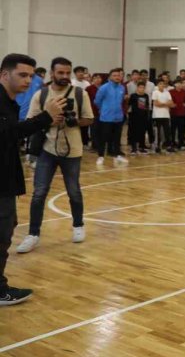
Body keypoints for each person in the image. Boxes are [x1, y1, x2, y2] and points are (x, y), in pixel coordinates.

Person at [1, 53, 65, 305]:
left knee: (5, 230)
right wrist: (45, 117)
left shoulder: (9, 101)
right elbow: (7, 134)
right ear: (5, 75)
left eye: (31, 75)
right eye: (22, 75)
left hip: (6, 179)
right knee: (2, 234)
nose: (29, 80)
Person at [16, 57, 93, 255]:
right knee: (39, 193)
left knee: (73, 190)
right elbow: (30, 121)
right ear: (52, 73)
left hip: (72, 150)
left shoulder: (79, 93)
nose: (65, 76)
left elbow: (89, 119)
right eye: (60, 73)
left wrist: (73, 121)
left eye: (68, 73)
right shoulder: (40, 95)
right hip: (47, 150)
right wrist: (49, 120)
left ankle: (78, 225)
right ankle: (33, 234)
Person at [94, 68, 128, 166]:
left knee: (117, 138)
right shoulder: (104, 88)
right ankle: (100, 156)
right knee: (103, 138)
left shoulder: (122, 88)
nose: (117, 77)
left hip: (118, 117)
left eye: (119, 75)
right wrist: (103, 109)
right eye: (114, 75)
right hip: (106, 117)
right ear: (110, 77)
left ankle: (117, 155)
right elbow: (97, 101)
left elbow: (121, 101)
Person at [151, 78, 175, 153]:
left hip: (166, 115)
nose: (162, 85)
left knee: (167, 131)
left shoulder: (167, 92)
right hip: (157, 115)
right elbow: (156, 104)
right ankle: (157, 146)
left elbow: (171, 103)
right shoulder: (155, 92)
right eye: (160, 84)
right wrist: (165, 104)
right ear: (157, 85)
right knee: (157, 132)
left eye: (163, 84)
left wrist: (163, 104)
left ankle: (168, 145)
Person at [127, 81, 151, 155]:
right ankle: (134, 148)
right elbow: (129, 105)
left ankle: (142, 146)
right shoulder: (133, 95)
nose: (142, 89)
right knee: (134, 132)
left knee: (142, 132)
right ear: (137, 88)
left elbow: (146, 105)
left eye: (143, 87)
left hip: (143, 116)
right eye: (140, 87)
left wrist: (145, 110)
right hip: (134, 117)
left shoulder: (146, 96)